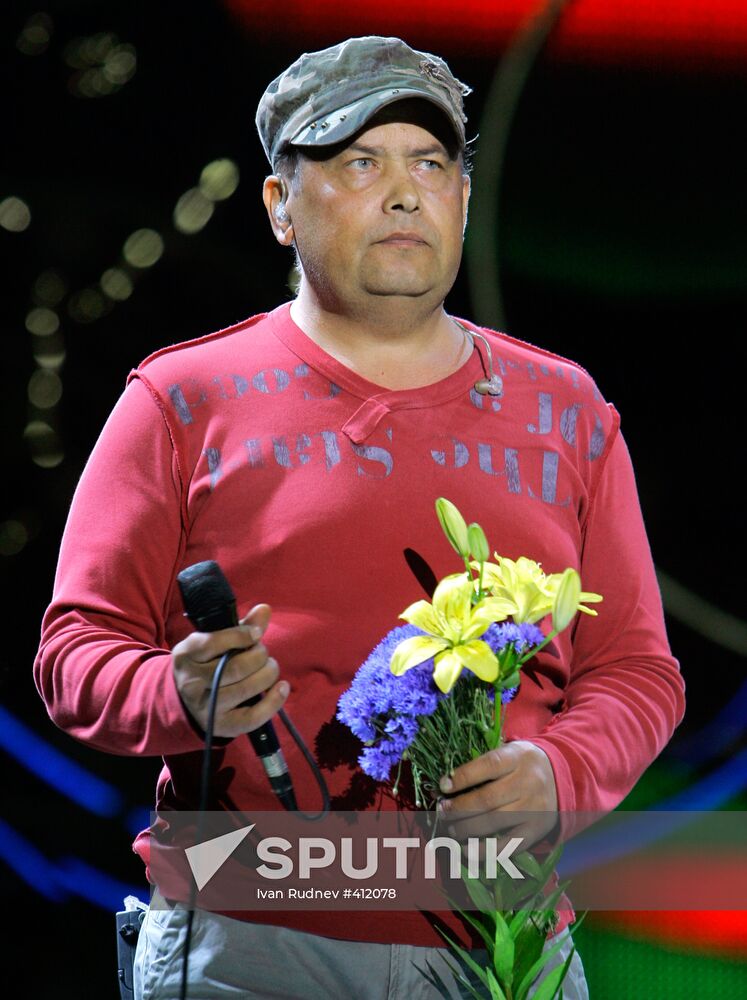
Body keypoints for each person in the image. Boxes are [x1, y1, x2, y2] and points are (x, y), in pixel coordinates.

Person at [34, 35, 685, 999]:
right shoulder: (181, 398)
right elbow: (74, 655)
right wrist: (178, 695)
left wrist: (558, 773)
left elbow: (636, 671)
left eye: (430, 163)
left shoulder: (569, 410)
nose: (402, 192)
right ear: (278, 207)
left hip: (502, 940)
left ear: (463, 196)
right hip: (248, 936)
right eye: (355, 163)